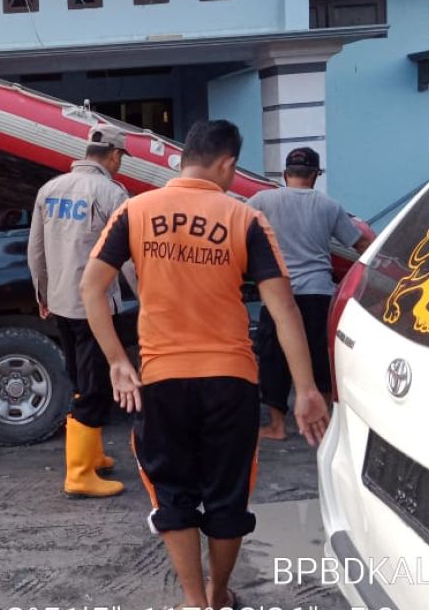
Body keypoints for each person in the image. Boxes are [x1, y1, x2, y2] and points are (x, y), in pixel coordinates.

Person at [79, 120, 329, 610]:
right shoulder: (244, 219)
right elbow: (283, 309)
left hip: (162, 379)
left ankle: (193, 602)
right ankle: (218, 597)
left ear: (182, 158)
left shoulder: (135, 211)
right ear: (228, 164)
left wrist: (116, 361)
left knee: (173, 494)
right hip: (230, 380)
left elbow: (91, 288)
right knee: (227, 496)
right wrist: (306, 389)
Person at [28, 123, 135, 498]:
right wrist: (148, 297)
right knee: (96, 389)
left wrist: (41, 291)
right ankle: (79, 475)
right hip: (96, 307)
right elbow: (127, 256)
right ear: (114, 156)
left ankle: (93, 453)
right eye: (122, 158)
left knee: (80, 380)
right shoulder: (112, 192)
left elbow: (36, 249)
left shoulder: (49, 189)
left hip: (60, 302)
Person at [247, 147, 374, 440]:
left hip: (278, 291)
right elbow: (360, 244)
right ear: (315, 176)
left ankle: (277, 426)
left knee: (273, 356)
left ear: (284, 174)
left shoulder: (263, 200)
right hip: (318, 291)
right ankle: (325, 423)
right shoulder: (329, 205)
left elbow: (237, 226)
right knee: (319, 355)